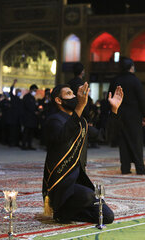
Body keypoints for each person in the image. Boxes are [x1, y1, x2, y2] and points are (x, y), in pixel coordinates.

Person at [42, 82, 122, 224]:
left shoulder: (81, 123)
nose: (73, 96)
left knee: (107, 216)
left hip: (77, 182)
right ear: (58, 100)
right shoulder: (54, 120)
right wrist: (80, 106)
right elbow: (63, 136)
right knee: (89, 195)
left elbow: (104, 136)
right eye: (68, 94)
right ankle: (61, 212)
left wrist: (114, 110)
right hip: (60, 184)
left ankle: (68, 213)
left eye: (73, 93)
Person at [109, 57, 145, 175]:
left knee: (123, 141)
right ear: (131, 67)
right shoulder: (135, 81)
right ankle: (140, 168)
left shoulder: (115, 80)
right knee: (136, 141)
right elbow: (142, 99)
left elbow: (110, 98)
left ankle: (125, 168)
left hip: (119, 115)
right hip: (134, 116)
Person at [22, 84, 39, 150]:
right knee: (26, 132)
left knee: (31, 133)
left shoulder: (33, 98)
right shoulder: (26, 97)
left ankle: (29, 145)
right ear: (31, 90)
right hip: (27, 118)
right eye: (34, 90)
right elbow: (28, 107)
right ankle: (24, 145)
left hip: (33, 118)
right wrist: (34, 111)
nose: (35, 92)